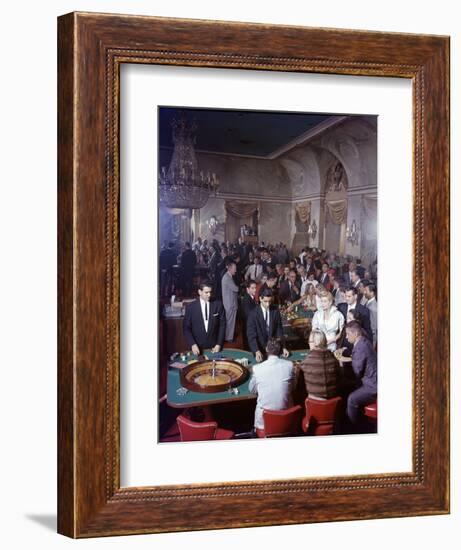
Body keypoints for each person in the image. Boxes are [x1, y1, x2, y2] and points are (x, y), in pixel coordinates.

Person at [248, 337, 296, 432]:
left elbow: (252, 390)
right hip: (286, 420)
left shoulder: (257, 369)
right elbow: (292, 387)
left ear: (266, 349)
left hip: (264, 425)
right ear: (281, 351)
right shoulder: (290, 365)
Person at [344, 321, 378, 428]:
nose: (346, 337)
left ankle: (354, 428)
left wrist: (342, 365)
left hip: (372, 386)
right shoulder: (364, 341)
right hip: (371, 381)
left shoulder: (360, 347)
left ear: (356, 334)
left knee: (351, 399)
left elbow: (356, 373)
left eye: (348, 334)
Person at [183, 281, 226, 355]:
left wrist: (219, 344)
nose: (209, 295)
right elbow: (186, 328)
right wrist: (192, 344)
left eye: (210, 292)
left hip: (214, 347)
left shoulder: (218, 304)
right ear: (200, 292)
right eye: (206, 292)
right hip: (197, 348)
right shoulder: (191, 307)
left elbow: (222, 325)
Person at [247, 289, 289, 362]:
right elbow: (251, 335)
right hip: (260, 350)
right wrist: (256, 350)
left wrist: (283, 347)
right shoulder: (253, 314)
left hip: (273, 350)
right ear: (260, 298)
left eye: (270, 301)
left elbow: (279, 330)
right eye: (265, 301)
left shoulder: (275, 311)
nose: (268, 304)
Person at [300, 330, 341, 399]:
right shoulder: (333, 359)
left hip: (314, 400)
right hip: (334, 397)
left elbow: (300, 381)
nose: (308, 343)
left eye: (310, 341)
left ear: (316, 343)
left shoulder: (307, 361)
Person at [221, 261, 239, 342]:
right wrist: (239, 287)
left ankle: (229, 336)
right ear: (230, 268)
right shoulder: (227, 278)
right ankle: (229, 338)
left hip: (229, 302)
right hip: (230, 303)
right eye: (234, 269)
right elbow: (235, 289)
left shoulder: (228, 276)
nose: (236, 270)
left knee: (230, 321)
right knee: (230, 321)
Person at [364, 283, 378, 348]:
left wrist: (373, 344)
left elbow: (374, 328)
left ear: (372, 293)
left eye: (366, 291)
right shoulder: (368, 302)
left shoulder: (373, 307)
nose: (364, 292)